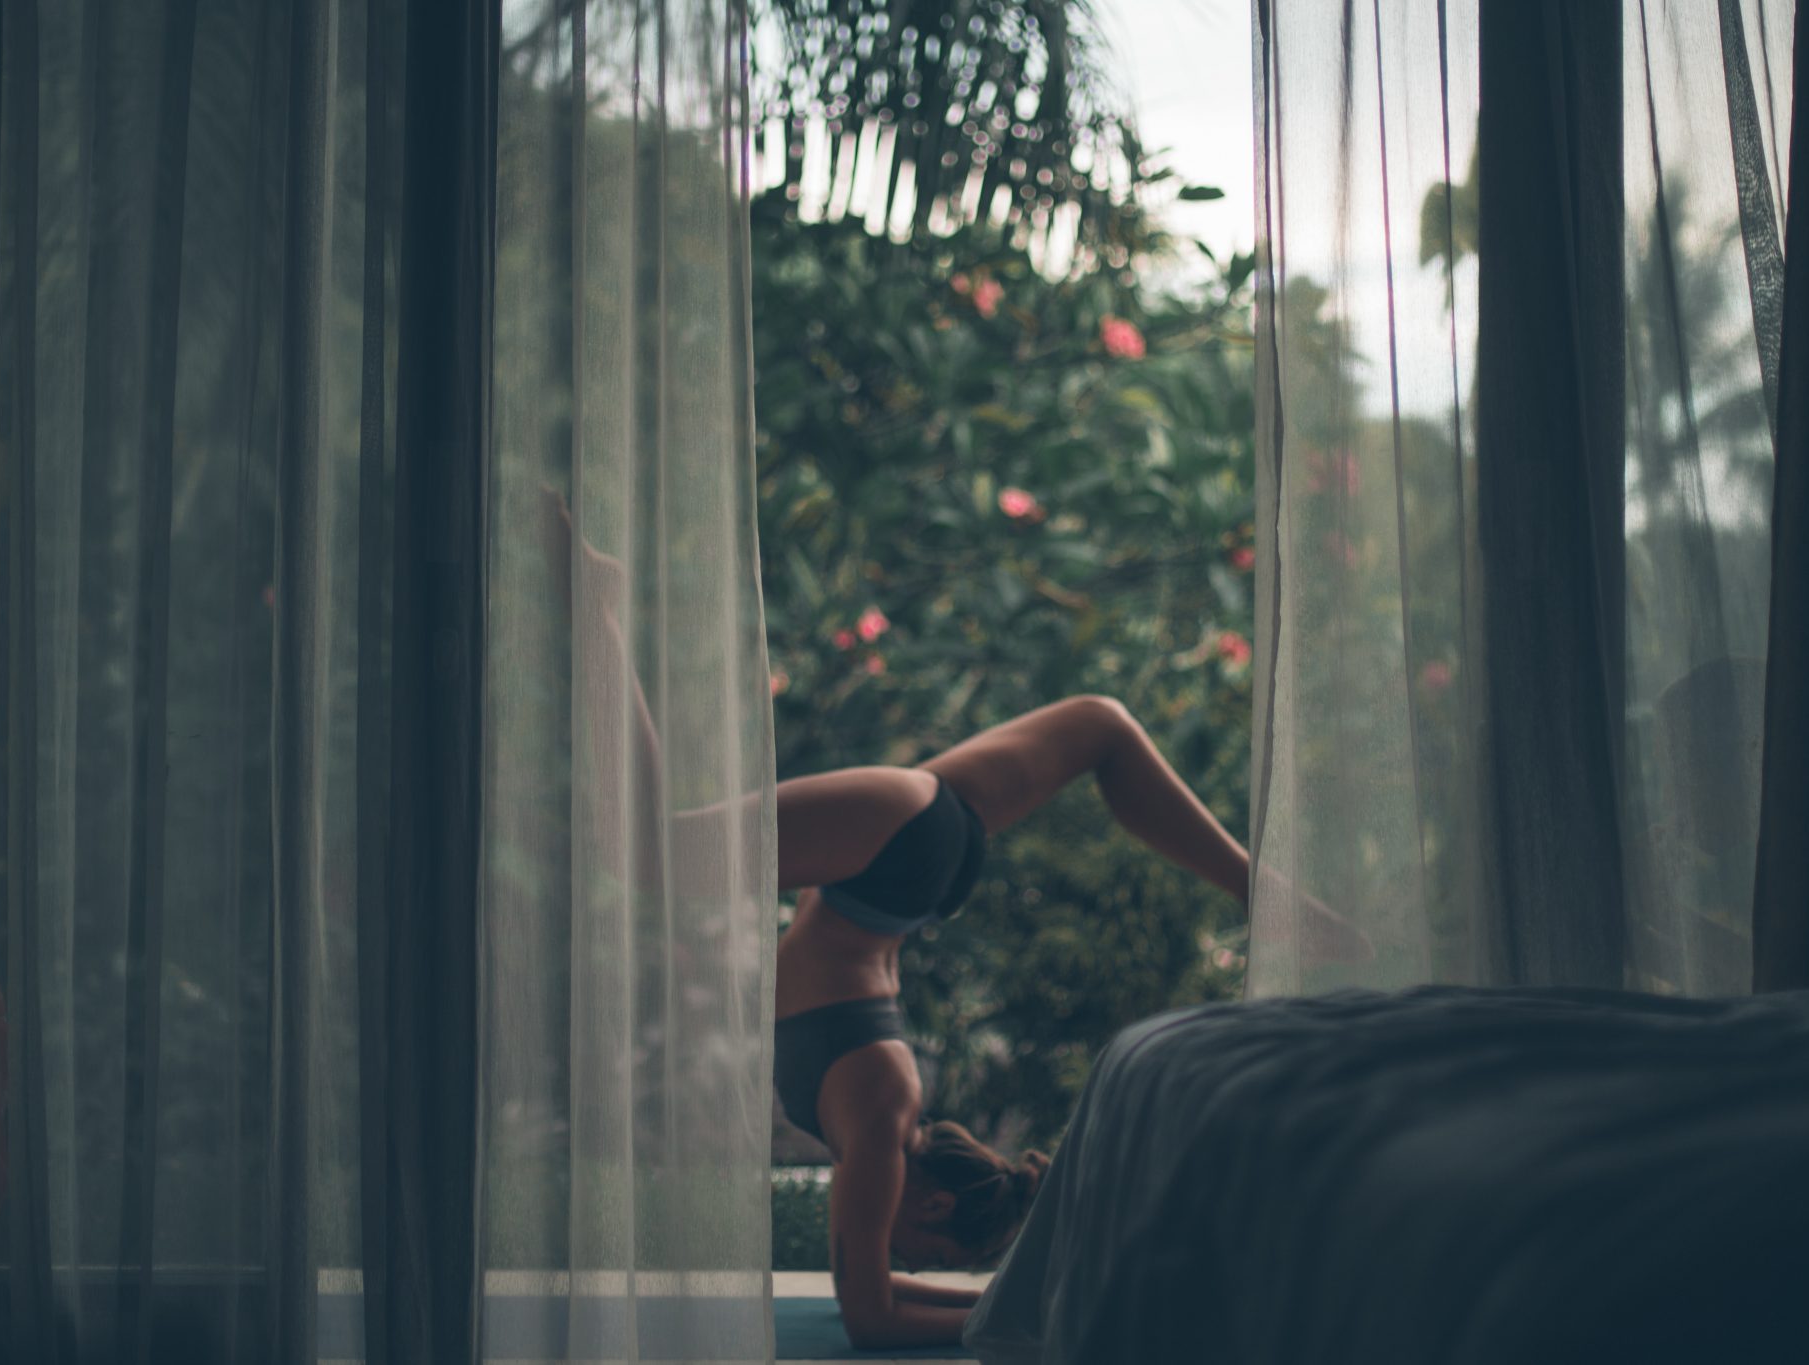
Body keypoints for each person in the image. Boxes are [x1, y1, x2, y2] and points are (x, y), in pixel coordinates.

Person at [542, 490, 1372, 1350]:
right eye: (926, 1249)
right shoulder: (878, 1119)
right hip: (892, 865)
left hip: (913, 873)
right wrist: (1050, 1321)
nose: (899, 1254)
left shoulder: (883, 1117)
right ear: (934, 1202)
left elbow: (871, 1293)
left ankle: (1257, 895)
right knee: (645, 853)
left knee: (1100, 726)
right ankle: (593, 598)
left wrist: (1043, 1305)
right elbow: (869, 1315)